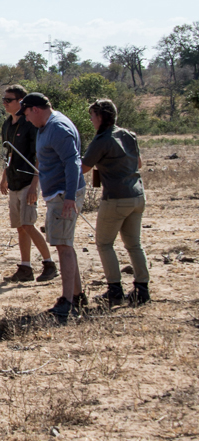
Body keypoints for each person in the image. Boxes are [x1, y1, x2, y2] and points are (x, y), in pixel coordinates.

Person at [19, 93, 87, 317]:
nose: (26, 119)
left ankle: (67, 301)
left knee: (63, 246)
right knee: (64, 243)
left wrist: (69, 196)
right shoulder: (45, 127)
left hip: (62, 195)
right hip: (56, 194)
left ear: (35, 109)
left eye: (27, 114)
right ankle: (77, 296)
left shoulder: (58, 128)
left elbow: (73, 162)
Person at [81, 99, 150, 307]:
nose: (91, 120)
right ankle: (142, 289)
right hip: (137, 196)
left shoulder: (102, 139)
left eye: (93, 116)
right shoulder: (128, 135)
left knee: (104, 243)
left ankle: (114, 289)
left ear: (100, 117)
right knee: (134, 244)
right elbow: (138, 163)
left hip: (116, 199)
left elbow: (83, 167)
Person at [0, 85, 57, 283]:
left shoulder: (30, 123)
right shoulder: (7, 125)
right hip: (14, 180)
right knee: (21, 227)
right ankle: (25, 267)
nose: (5, 103)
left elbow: (38, 155)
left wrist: (34, 184)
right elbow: (9, 153)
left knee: (28, 224)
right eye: (4, 100)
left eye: (9, 100)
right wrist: (4, 176)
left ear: (21, 102)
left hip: (28, 182)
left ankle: (49, 264)